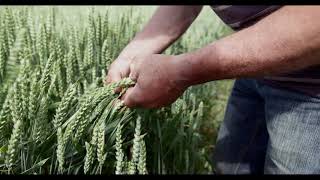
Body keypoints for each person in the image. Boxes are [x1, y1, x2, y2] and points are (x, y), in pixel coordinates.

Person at [105, 6, 320, 174]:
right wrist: (131, 56)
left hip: (310, 86)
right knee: (228, 166)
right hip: (254, 66)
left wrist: (181, 72)